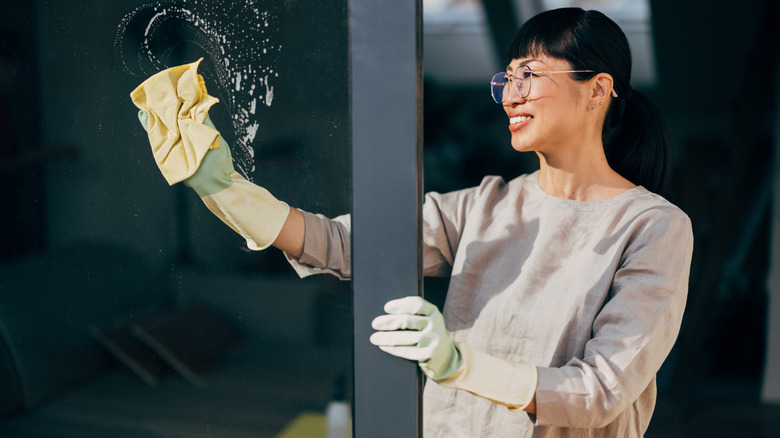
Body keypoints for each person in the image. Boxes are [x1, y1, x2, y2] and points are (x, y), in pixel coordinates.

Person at [131, 7, 693, 437]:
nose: (511, 94)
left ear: (598, 90)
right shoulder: (485, 205)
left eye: (532, 75)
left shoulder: (652, 226)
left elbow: (602, 390)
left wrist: (457, 362)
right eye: (509, 77)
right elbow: (342, 244)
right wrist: (222, 188)